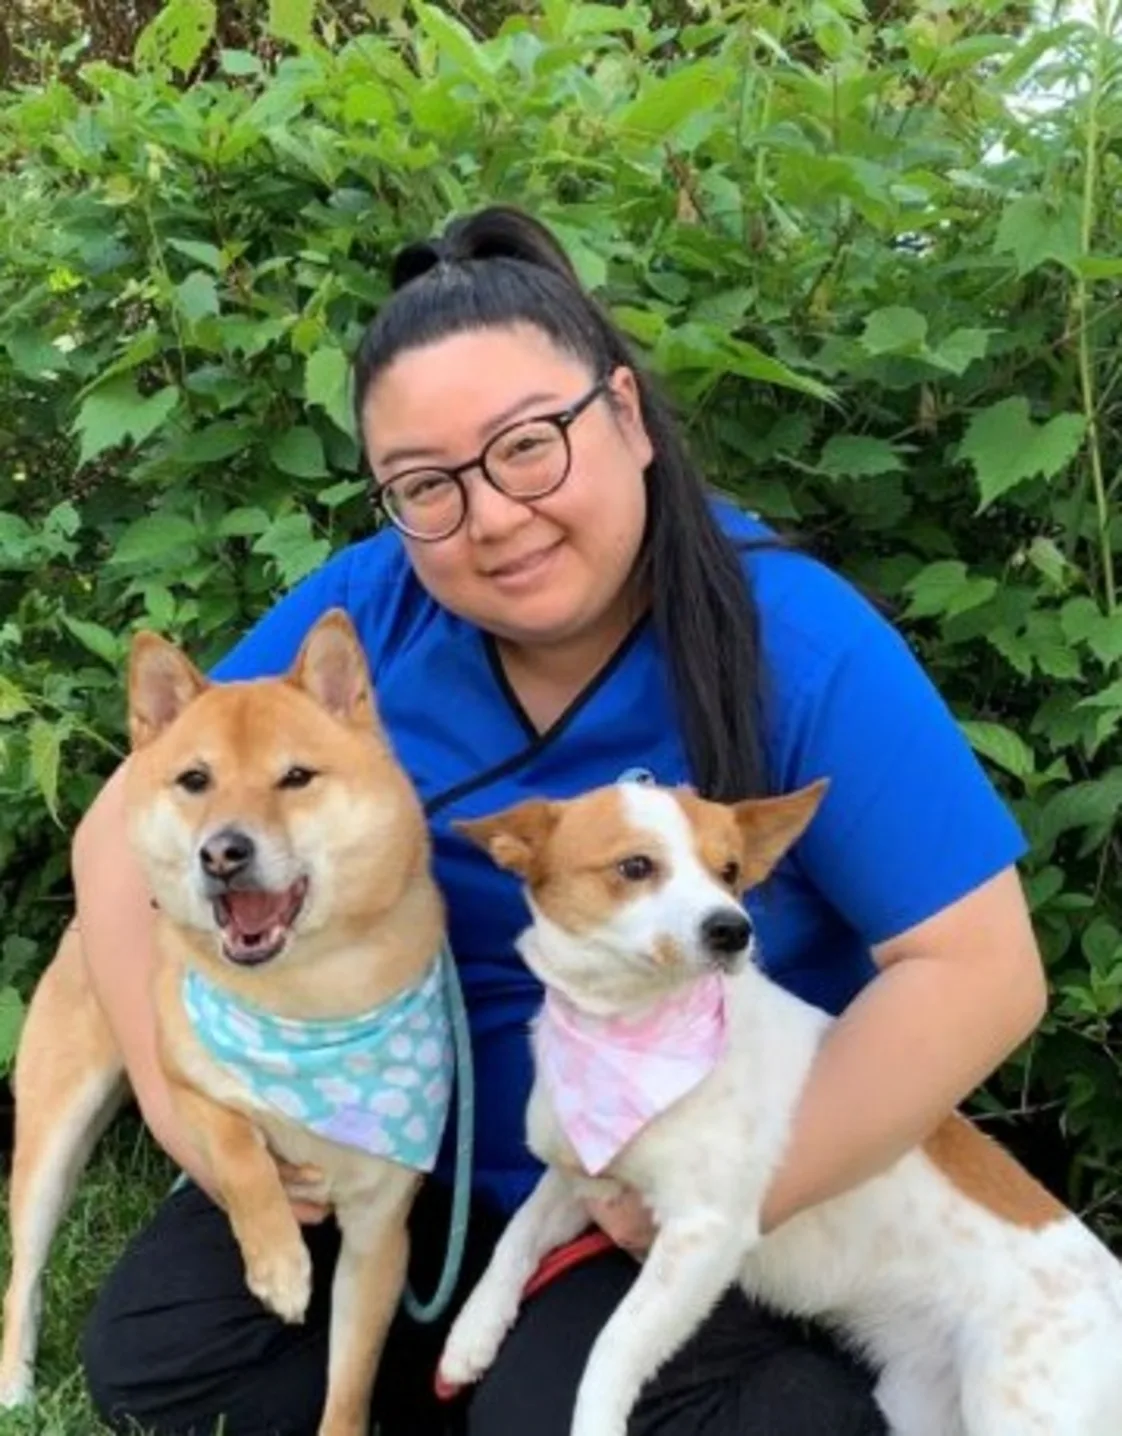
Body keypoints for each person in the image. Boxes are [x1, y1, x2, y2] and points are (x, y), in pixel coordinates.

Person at [76, 205, 1046, 1436]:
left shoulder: (792, 637)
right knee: (167, 1362)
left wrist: (717, 1197)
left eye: (529, 446)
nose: (489, 515)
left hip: (669, 1164)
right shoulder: (372, 613)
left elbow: (982, 969)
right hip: (404, 1133)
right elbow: (125, 818)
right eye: (425, 486)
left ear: (627, 420)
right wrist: (181, 1112)